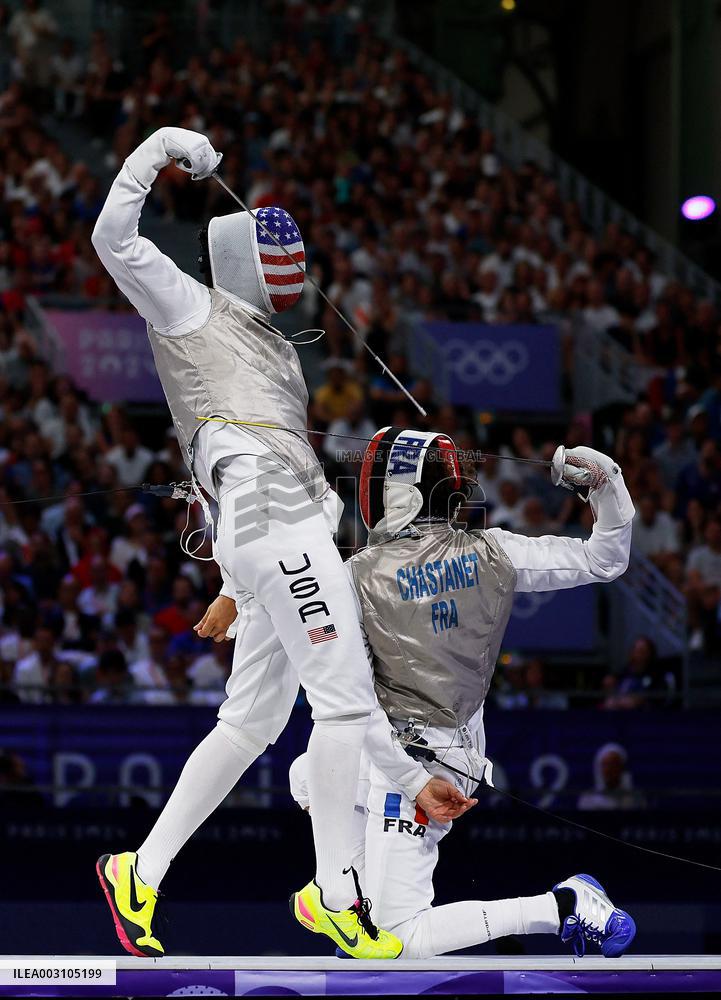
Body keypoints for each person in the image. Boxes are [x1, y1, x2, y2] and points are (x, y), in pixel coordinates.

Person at [91, 127, 467, 960]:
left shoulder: (282, 354)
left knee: (253, 720)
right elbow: (112, 240)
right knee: (337, 702)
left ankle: (138, 873)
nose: (292, 273)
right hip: (280, 527)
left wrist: (236, 582)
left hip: (278, 531)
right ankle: (335, 895)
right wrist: (154, 151)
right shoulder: (191, 305)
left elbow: (230, 472)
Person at [288, 429, 637, 958]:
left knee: (397, 942)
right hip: (411, 751)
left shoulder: (354, 577)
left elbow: (346, 699)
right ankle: (347, 898)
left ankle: (564, 906)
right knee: (309, 778)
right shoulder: (494, 552)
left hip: (423, 767)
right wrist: (608, 486)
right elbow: (604, 559)